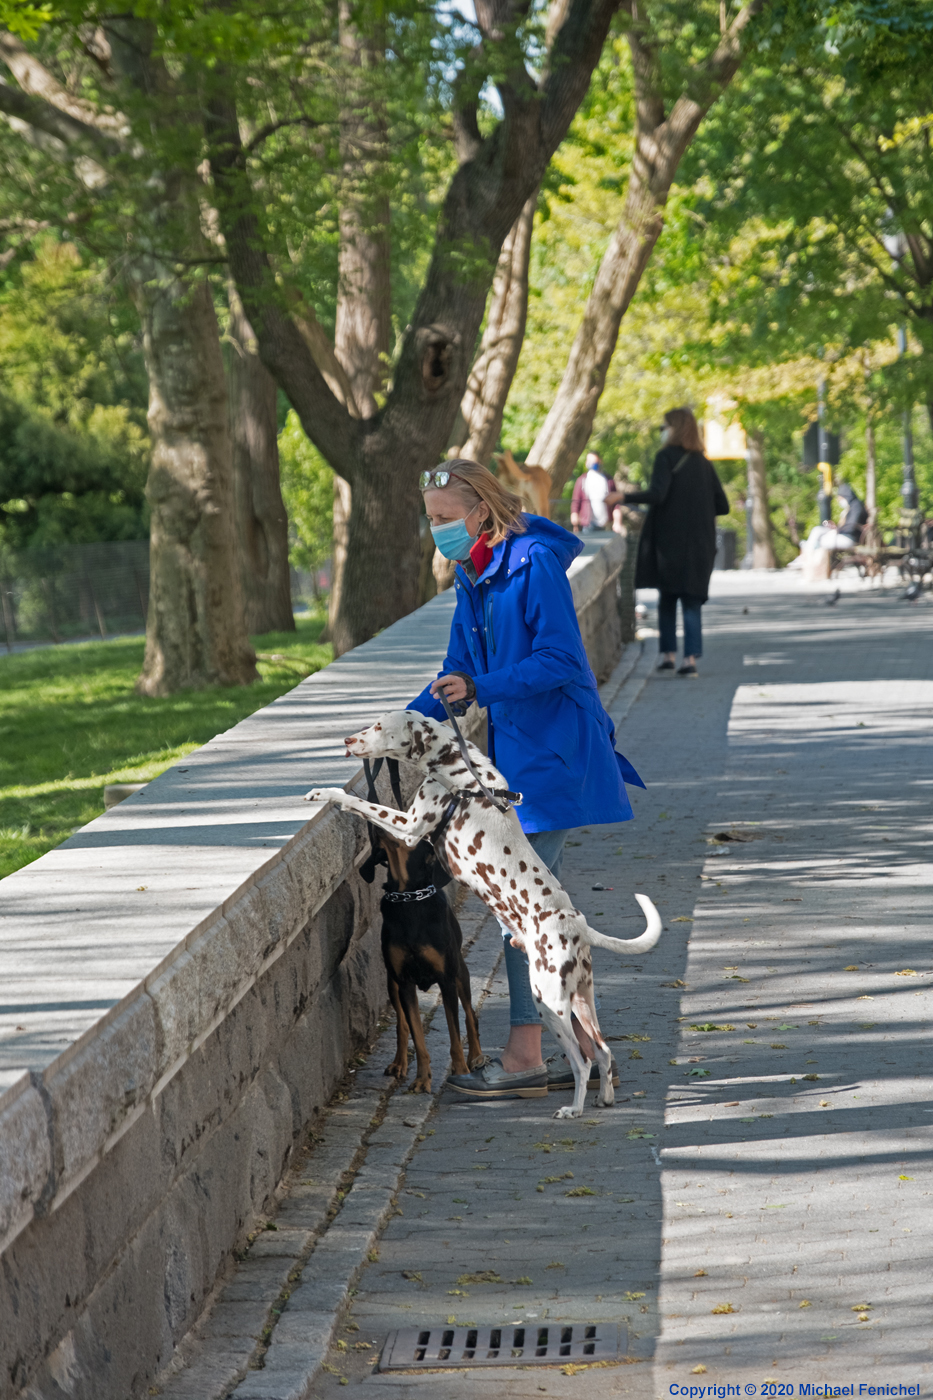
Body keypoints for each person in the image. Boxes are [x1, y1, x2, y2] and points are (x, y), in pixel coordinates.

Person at [409, 459, 646, 1100]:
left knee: (526, 905)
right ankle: (574, 1048)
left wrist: (482, 686)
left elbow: (562, 659)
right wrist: (406, 723)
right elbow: (459, 663)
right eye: (431, 522)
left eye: (445, 520)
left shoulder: (533, 562)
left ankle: (527, 1057)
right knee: (533, 908)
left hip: (558, 752)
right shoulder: (475, 571)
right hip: (519, 757)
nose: (437, 533)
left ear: (481, 513)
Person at [623, 407, 729, 677]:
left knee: (667, 599)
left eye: (664, 426)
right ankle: (690, 660)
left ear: (675, 428)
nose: (662, 432)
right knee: (691, 602)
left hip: (669, 543)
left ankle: (667, 655)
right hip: (699, 544)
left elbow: (658, 494)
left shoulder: (666, 457)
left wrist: (624, 498)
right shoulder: (703, 462)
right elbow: (723, 504)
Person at [788, 484, 868, 563]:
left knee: (820, 540)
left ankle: (807, 557)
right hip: (845, 535)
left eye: (840, 498)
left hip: (850, 538)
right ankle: (806, 553)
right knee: (817, 530)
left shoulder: (856, 508)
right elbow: (849, 526)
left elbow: (851, 527)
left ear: (845, 496)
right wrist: (836, 527)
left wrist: (837, 529)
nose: (839, 501)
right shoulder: (852, 507)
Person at [570, 452, 620, 533]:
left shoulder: (608, 480)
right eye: (590, 461)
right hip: (588, 525)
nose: (593, 464)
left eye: (595, 461)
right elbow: (576, 502)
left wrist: (617, 522)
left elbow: (616, 503)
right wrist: (575, 523)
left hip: (606, 524)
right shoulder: (582, 480)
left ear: (600, 461)